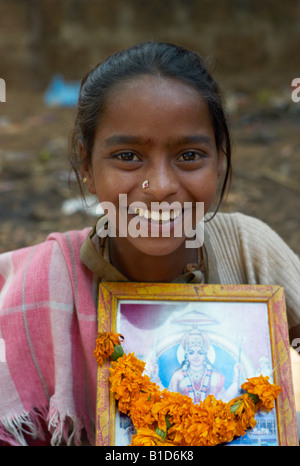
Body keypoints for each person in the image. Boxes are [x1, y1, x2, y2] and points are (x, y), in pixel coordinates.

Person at [0, 41, 300, 446]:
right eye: (128, 156)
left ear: (220, 160)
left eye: (190, 155)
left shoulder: (248, 251)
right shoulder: (45, 283)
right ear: (86, 167)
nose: (159, 187)